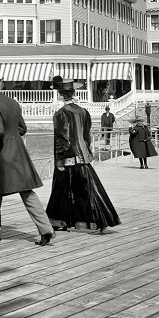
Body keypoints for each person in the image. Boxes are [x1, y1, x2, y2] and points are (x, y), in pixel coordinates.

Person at [0, 67, 54, 246]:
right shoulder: (13, 103)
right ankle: (46, 229)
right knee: (27, 192)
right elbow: (22, 129)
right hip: (19, 153)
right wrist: (11, 136)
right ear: (3, 83)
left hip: (2, 156)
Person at [46, 77, 120, 234]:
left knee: (61, 190)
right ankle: (96, 220)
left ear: (60, 95)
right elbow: (86, 137)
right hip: (83, 156)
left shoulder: (60, 114)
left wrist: (60, 161)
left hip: (67, 157)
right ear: (73, 93)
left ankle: (59, 220)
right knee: (87, 189)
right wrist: (86, 152)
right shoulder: (83, 112)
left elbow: (62, 138)